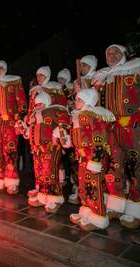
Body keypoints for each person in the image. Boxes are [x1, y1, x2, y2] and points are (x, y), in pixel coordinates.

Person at [93, 44, 140, 229]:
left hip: (133, 128)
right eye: (108, 53)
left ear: (124, 55)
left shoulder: (134, 70)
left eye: (115, 53)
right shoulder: (103, 76)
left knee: (136, 166)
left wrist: (134, 118)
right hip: (110, 129)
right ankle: (116, 203)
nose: (111, 56)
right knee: (114, 166)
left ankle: (136, 208)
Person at [67, 88, 115, 230]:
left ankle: (98, 216)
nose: (76, 102)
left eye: (79, 99)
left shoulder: (94, 115)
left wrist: (96, 159)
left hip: (93, 157)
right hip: (82, 155)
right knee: (83, 185)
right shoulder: (79, 115)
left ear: (88, 100)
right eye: (76, 99)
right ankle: (87, 211)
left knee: (94, 185)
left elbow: (100, 138)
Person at [18, 92, 70, 213]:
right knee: (40, 175)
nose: (37, 106)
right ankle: (42, 196)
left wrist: (59, 131)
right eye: (36, 104)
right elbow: (31, 132)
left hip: (50, 149)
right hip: (37, 150)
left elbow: (65, 121)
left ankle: (55, 198)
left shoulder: (53, 110)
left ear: (46, 102)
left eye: (40, 104)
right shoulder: (34, 115)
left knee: (50, 173)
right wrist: (24, 130)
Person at [0, 60, 28, 195]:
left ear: (6, 69)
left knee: (10, 151)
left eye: (1, 68)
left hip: (10, 123)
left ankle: (11, 182)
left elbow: (22, 102)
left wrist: (20, 120)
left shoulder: (14, 81)